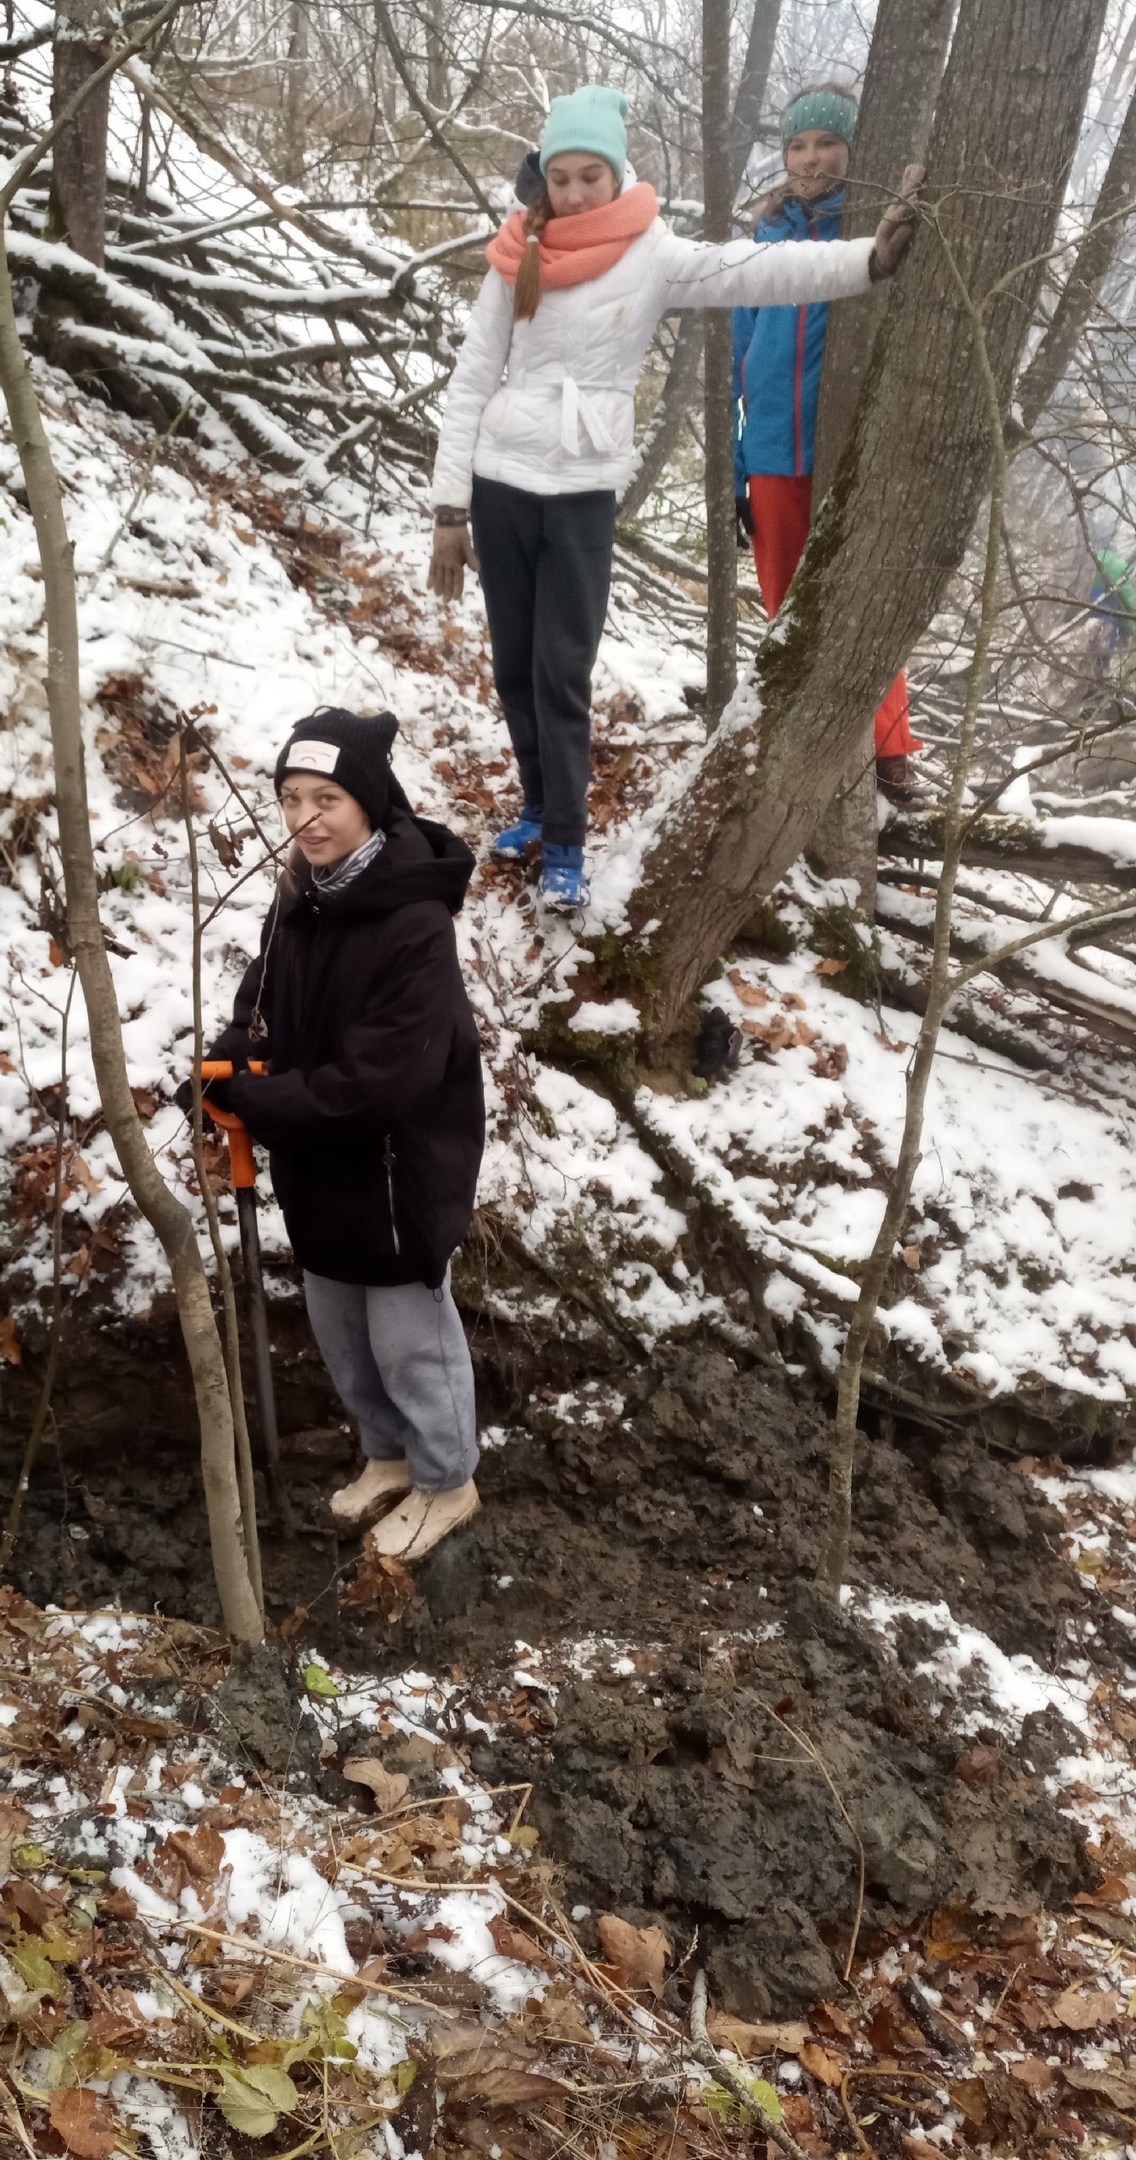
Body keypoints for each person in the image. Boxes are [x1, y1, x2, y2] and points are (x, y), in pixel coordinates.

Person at [429, 83, 919, 910]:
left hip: (582, 489)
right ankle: (538, 805)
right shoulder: (517, 252)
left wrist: (867, 259)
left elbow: (760, 268)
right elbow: (473, 377)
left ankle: (566, 847)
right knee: (514, 665)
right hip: (500, 482)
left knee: (562, 671)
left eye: (592, 174)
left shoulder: (650, 253)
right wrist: (449, 510)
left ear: (618, 176)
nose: (576, 191)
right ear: (543, 177)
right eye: (563, 176)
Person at [200, 709, 485, 1565]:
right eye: (291, 798)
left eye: (326, 798)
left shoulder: (413, 922)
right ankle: (388, 1455)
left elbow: (384, 1083)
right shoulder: (302, 896)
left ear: (368, 800)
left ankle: (448, 1481)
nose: (305, 818)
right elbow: (267, 998)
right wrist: (235, 1052)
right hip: (321, 1158)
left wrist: (263, 1104)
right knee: (342, 1333)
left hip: (396, 1168)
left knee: (408, 1342)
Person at [732, 84, 922, 805]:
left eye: (827, 143)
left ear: (852, 149)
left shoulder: (872, 229)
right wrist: (738, 467)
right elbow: (740, 368)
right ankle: (803, 750)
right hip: (775, 453)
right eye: (798, 145)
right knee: (788, 608)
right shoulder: (764, 239)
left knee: (864, 605)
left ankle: (891, 753)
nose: (812, 158)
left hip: (849, 448)